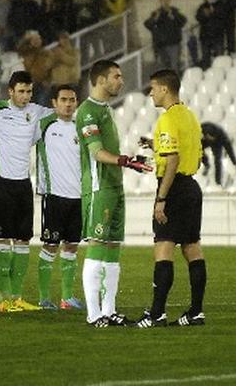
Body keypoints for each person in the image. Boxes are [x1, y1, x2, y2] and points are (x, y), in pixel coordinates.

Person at [76, 60, 151, 327]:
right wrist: (125, 161)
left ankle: (109, 311)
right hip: (99, 188)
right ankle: (93, 314)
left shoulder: (105, 109)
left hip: (115, 186)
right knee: (97, 245)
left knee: (112, 247)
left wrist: (129, 161)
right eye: (116, 76)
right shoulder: (86, 111)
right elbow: (96, 152)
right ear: (100, 80)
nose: (121, 81)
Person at [134, 69, 206, 327]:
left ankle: (156, 314)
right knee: (192, 248)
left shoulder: (166, 120)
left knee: (164, 246)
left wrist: (161, 199)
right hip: (191, 187)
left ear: (165, 89)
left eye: (153, 87)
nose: (151, 92)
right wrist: (155, 146)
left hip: (173, 189)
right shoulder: (190, 116)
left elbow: (173, 159)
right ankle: (196, 312)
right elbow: (194, 156)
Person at [0, 71, 52, 313]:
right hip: (1, 182)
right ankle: (4, 299)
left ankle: (17, 296)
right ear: (10, 91)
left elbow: (64, 113)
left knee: (24, 240)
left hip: (24, 183)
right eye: (21, 91)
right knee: (4, 240)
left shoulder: (36, 112)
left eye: (29, 91)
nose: (25, 96)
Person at [35, 84, 83, 310]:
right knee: (50, 246)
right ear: (54, 103)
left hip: (78, 197)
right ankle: (44, 298)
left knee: (72, 246)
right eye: (63, 99)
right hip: (54, 196)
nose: (68, 104)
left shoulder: (80, 128)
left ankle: (67, 298)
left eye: (72, 100)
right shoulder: (43, 125)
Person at [144, 0, 187, 72]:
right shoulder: (156, 13)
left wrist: (173, 17)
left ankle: (175, 83)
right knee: (163, 67)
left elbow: (183, 22)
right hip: (161, 44)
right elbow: (147, 24)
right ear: (160, 1)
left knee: (174, 66)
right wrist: (155, 19)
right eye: (164, 0)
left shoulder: (174, 12)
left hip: (173, 43)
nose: (166, 2)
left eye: (168, 0)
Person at [16, 32, 53, 106]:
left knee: (41, 105)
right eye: (34, 39)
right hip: (29, 83)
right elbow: (20, 49)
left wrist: (48, 81)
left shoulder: (45, 53)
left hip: (43, 83)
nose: (37, 41)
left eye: (38, 39)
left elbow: (50, 68)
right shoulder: (26, 52)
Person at [196, 0, 226, 69]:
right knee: (206, 59)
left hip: (218, 36)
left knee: (219, 59)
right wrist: (205, 14)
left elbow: (225, 19)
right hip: (205, 37)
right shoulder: (202, 6)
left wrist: (214, 13)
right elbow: (198, 18)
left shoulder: (222, 5)